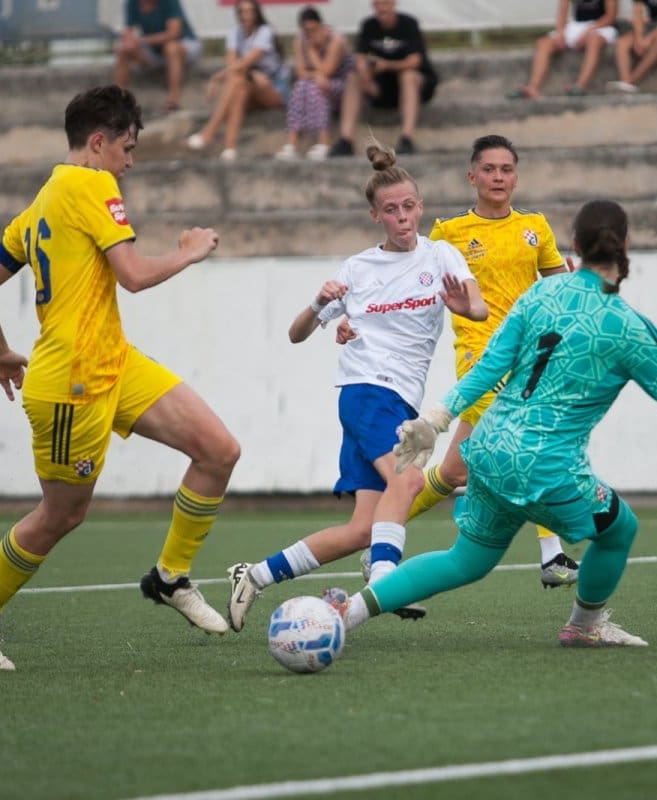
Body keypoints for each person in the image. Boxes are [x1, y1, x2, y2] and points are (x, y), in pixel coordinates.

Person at [322, 199, 657, 648]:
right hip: (545, 465)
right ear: (626, 245)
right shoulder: (629, 327)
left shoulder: (540, 293)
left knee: (467, 560)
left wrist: (436, 419)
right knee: (620, 530)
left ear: (576, 246)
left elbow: (489, 366)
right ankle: (585, 626)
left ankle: (347, 613)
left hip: (486, 450)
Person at [0, 85, 237, 672]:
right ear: (99, 142)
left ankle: (170, 577)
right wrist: (189, 251)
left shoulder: (42, 203)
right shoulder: (91, 184)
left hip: (114, 361)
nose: (129, 163)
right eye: (127, 149)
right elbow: (132, 275)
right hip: (70, 384)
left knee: (218, 450)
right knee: (62, 515)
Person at [223, 138, 488, 632]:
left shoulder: (441, 256)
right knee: (409, 481)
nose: (402, 217)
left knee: (364, 528)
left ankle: (254, 575)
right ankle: (386, 585)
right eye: (391, 210)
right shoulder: (358, 269)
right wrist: (317, 303)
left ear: (421, 207)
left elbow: (480, 308)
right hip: (367, 392)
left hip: (400, 401)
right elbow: (297, 333)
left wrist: (463, 307)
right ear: (375, 216)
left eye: (409, 207)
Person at [349, 134, 580, 588]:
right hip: (479, 357)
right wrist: (357, 320)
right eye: (488, 169)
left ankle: (378, 536)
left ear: (516, 177)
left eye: (506, 169)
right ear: (471, 176)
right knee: (526, 439)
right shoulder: (449, 232)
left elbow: (558, 285)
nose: (498, 177)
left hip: (527, 358)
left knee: (454, 470)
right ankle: (552, 555)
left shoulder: (535, 226)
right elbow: (403, 274)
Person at [328, 0, 439, 158]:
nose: (381, 8)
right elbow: (360, 57)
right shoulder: (369, 25)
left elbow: (415, 61)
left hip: (412, 87)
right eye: (377, 4)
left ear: (394, 3)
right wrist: (364, 70)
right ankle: (346, 139)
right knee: (353, 78)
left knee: (408, 76)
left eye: (385, 3)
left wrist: (386, 65)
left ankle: (407, 138)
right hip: (381, 87)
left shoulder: (408, 24)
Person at [186, 0, 289, 163]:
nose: (246, 16)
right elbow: (233, 66)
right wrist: (243, 73)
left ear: (257, 14)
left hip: (274, 88)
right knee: (239, 88)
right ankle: (230, 148)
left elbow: (246, 62)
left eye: (250, 11)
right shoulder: (234, 34)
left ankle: (209, 131)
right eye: (242, 11)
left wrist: (216, 78)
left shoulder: (265, 32)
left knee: (240, 79)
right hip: (249, 85)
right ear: (238, 14)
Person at [275, 6, 355, 161]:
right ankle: (292, 143)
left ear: (321, 26)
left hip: (345, 88)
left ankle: (324, 142)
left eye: (314, 29)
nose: (311, 34)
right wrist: (315, 75)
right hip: (316, 82)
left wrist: (311, 51)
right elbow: (300, 72)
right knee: (301, 85)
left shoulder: (336, 40)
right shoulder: (300, 40)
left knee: (319, 85)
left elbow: (327, 71)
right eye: (307, 31)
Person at [507, 0, 619, 100]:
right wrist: (560, 32)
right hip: (577, 26)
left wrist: (589, 30)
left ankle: (579, 86)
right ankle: (533, 87)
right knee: (544, 43)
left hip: (601, 26)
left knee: (594, 41)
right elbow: (562, 11)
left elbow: (611, 16)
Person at [113, 0, 202, 116]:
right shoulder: (132, 3)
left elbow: (174, 33)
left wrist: (142, 40)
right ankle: (116, 101)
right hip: (154, 50)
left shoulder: (170, 2)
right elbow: (127, 30)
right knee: (123, 49)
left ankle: (173, 101)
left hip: (183, 45)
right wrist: (129, 42)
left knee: (171, 48)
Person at [606, 0, 657, 93]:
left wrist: (650, 38)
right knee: (623, 42)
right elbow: (638, 15)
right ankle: (625, 81)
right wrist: (639, 38)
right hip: (653, 24)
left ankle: (631, 81)